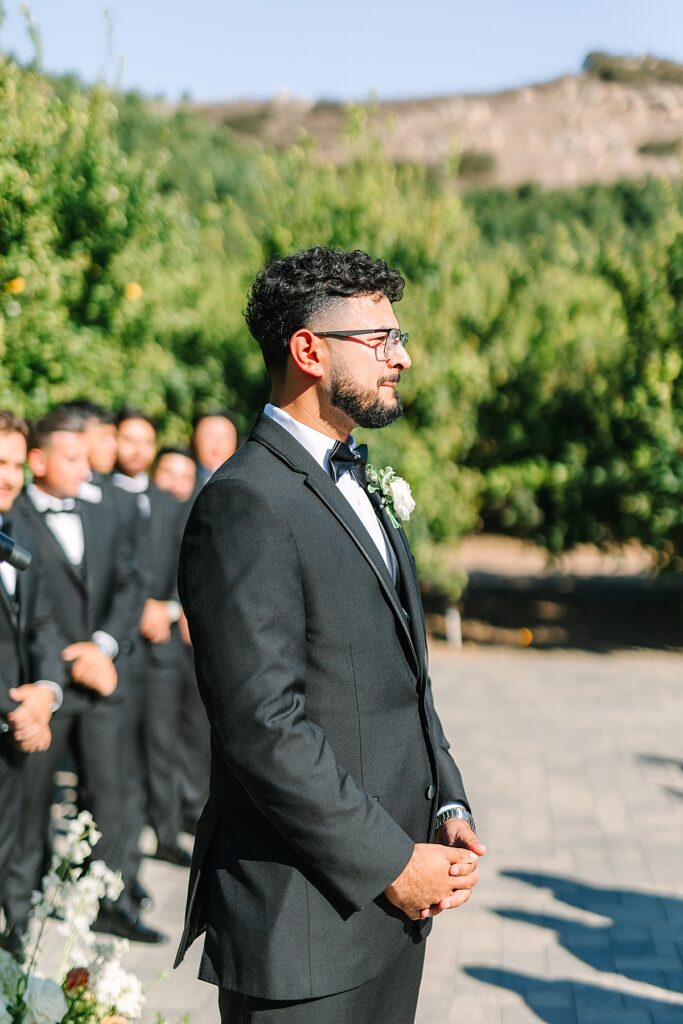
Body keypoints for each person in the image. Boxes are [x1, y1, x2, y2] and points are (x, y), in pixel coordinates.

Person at [175, 246, 485, 1024]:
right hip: (302, 926)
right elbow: (261, 727)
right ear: (309, 351)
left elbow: (401, 673)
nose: (402, 358)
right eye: (380, 340)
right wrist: (391, 864)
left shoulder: (356, 480)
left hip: (388, 910)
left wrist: (445, 796)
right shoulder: (245, 503)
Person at [3, 407, 160, 947]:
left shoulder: (102, 511)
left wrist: (103, 647)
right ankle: (18, 921)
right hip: (44, 688)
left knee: (114, 796)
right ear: (39, 462)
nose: (85, 467)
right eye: (72, 457)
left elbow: (129, 583)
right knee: (29, 807)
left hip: (101, 679)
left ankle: (110, 902)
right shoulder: (14, 516)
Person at [113, 411, 190, 872]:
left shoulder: (169, 503)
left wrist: (169, 609)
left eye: (148, 440)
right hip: (119, 644)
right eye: (130, 439)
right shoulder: (98, 494)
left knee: (163, 740)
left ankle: (165, 831)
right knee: (116, 749)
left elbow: (188, 563)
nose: (139, 448)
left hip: (162, 642)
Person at [0, 412, 65, 945]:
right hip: (11, 716)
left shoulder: (19, 532)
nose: (10, 477)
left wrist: (45, 692)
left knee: (18, 841)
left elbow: (42, 624)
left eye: (17, 464)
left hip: (23, 724)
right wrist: (15, 707)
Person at [152, 447, 208, 833]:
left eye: (183, 476)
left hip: (188, 638)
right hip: (149, 641)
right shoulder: (142, 513)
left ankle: (188, 809)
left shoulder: (196, 514)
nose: (174, 483)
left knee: (191, 729)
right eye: (166, 473)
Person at [191, 411, 238, 491]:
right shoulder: (183, 477)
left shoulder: (242, 481)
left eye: (225, 436)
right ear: (194, 439)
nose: (217, 442)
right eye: (209, 434)